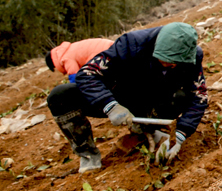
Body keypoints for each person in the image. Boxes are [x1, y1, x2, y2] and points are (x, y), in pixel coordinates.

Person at [46, 22, 208, 173]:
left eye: (174, 63)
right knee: (60, 96)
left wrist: (180, 137)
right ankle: (88, 155)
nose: (169, 65)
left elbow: (199, 96)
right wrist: (110, 105)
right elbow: (88, 74)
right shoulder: (131, 44)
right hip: (120, 93)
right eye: (164, 60)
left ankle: (151, 129)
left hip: (155, 98)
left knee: (181, 96)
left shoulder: (193, 57)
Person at [46, 38, 114, 83]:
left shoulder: (65, 58)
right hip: (108, 46)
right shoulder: (67, 50)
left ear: (54, 64)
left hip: (102, 53)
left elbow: (75, 77)